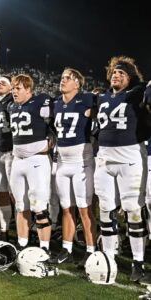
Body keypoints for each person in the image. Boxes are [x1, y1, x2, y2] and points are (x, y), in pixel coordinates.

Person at [94, 56, 150, 282]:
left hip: (130, 157)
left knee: (133, 211)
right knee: (106, 210)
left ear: (131, 78)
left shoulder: (137, 92)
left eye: (122, 73)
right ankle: (109, 258)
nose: (116, 75)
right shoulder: (101, 97)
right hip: (104, 159)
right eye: (114, 73)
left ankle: (138, 262)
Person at [51, 68, 96, 268]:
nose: (63, 80)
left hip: (82, 162)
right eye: (62, 77)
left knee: (85, 209)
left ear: (77, 84)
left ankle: (91, 250)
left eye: (68, 78)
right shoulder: (56, 103)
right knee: (66, 208)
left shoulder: (88, 99)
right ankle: (67, 249)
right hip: (62, 162)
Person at [8, 74, 53, 251]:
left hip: (37, 160)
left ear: (28, 89)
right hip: (18, 161)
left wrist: (51, 140)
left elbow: (56, 123)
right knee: (20, 206)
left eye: (18, 88)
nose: (14, 92)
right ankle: (22, 245)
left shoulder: (41, 100)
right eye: (13, 88)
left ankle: (44, 248)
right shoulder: (12, 107)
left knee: (39, 207)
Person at [0, 75, 14, 241]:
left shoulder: (13, 100)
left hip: (13, 151)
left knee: (16, 195)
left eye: (3, 82)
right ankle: (4, 231)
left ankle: (25, 233)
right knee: (1, 192)